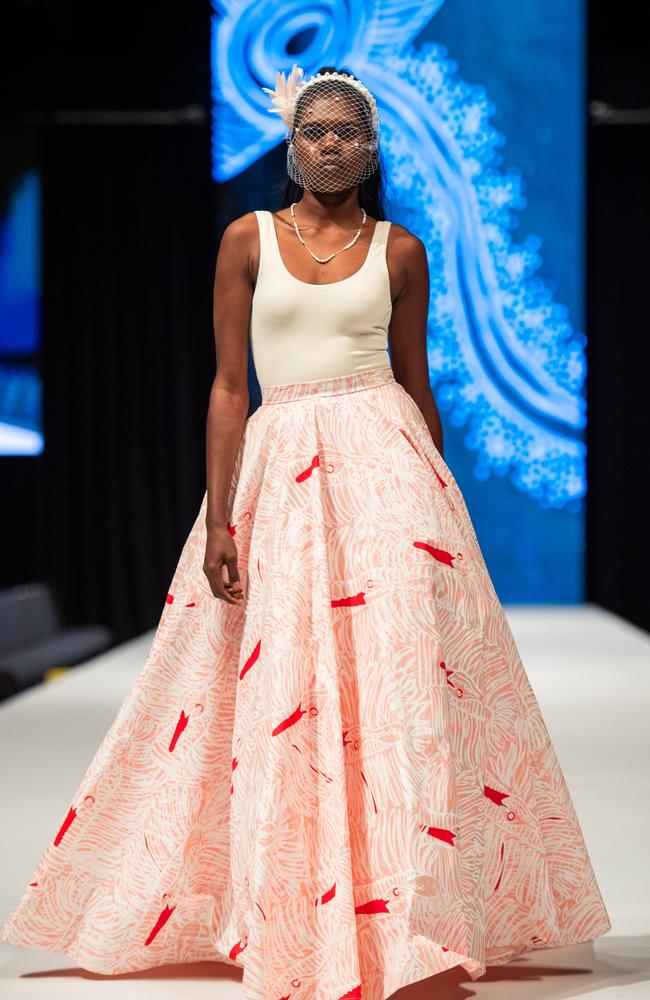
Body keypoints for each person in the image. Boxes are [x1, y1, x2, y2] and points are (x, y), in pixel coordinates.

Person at [0, 64, 611, 999]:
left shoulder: (401, 250)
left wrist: (441, 499)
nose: (329, 144)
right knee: (280, 679)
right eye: (314, 130)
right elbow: (228, 386)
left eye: (346, 131)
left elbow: (416, 382)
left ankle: (416, 911)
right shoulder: (245, 240)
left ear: (371, 147)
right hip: (280, 469)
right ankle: (292, 895)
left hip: (386, 460)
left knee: (401, 674)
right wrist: (218, 517)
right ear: (291, 143)